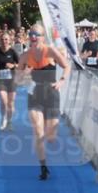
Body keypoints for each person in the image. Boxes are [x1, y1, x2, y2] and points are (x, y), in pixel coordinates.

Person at [16, 24, 71, 181]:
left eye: (36, 34)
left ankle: (50, 143)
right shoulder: (25, 56)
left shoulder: (51, 51)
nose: (33, 37)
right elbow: (17, 79)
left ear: (43, 37)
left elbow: (66, 67)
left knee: (51, 137)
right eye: (31, 34)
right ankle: (43, 167)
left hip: (51, 94)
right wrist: (24, 73)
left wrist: (61, 81)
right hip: (35, 94)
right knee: (38, 132)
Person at [0, 32, 19, 130]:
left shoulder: (13, 52)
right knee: (3, 100)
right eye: (2, 39)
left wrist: (13, 65)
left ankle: (9, 122)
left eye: (6, 39)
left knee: (11, 103)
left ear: (9, 41)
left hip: (12, 80)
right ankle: (3, 119)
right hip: (1, 79)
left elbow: (21, 65)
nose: (4, 41)